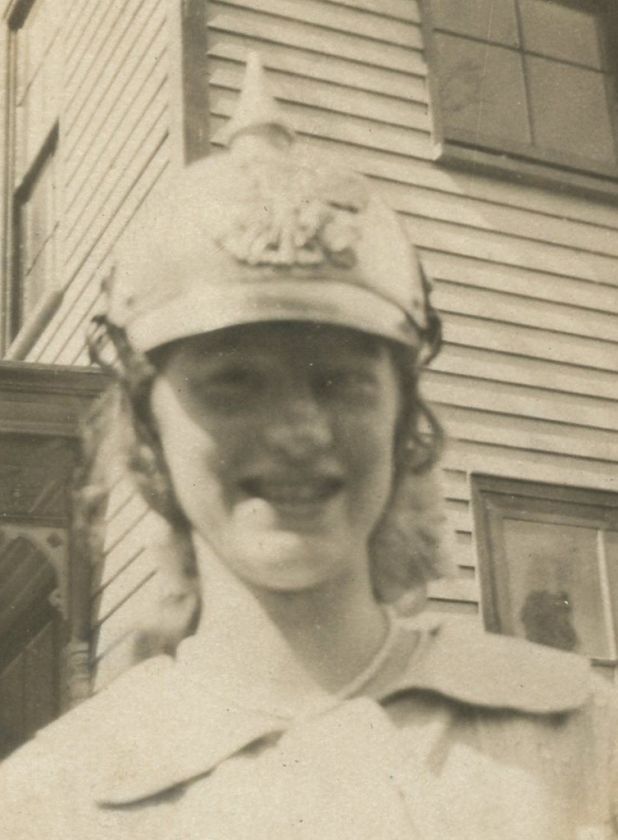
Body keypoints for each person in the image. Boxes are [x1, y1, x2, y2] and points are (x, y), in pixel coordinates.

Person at [2, 54, 617, 840]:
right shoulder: (53, 803)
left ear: (405, 420)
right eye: (232, 384)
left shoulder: (582, 742)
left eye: (341, 382)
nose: (298, 431)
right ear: (148, 429)